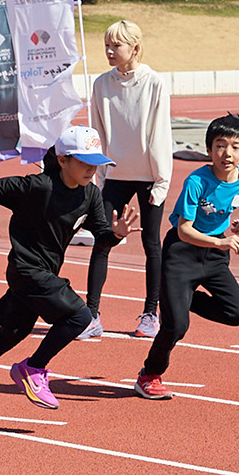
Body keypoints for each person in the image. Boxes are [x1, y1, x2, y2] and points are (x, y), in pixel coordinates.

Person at [0, 127, 137, 418]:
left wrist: (116, 235)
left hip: (44, 271)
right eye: (84, 162)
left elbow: (102, 236)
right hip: (25, 268)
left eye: (96, 164)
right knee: (80, 316)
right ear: (63, 160)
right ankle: (33, 368)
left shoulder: (91, 194)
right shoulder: (38, 186)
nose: (91, 169)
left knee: (13, 332)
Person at [135, 114, 239, 401]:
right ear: (208, 150)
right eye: (220, 145)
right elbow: (185, 230)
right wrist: (221, 240)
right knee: (176, 326)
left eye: (235, 147)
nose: (227, 153)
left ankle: (180, 300)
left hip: (214, 258)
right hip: (182, 253)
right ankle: (148, 375)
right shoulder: (196, 181)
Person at [83, 20, 172, 340]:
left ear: (135, 47)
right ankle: (90, 315)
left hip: (149, 177)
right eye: (106, 44)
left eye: (116, 45)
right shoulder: (101, 84)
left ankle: (151, 313)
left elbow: (161, 134)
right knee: (102, 242)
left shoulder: (154, 83)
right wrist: (98, 175)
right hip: (115, 176)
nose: (109, 50)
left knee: (152, 244)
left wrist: (161, 182)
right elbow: (98, 130)